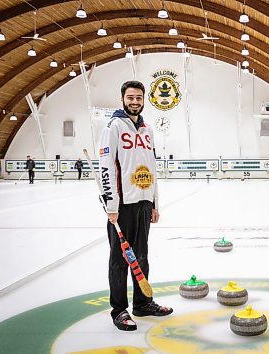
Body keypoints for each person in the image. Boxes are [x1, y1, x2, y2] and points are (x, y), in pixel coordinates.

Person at [99, 80, 173, 331]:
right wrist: (111, 205)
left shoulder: (148, 130)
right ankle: (119, 310)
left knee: (141, 256)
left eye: (139, 98)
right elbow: (107, 167)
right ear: (123, 99)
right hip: (122, 206)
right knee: (120, 260)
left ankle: (143, 303)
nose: (135, 102)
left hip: (143, 204)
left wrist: (154, 202)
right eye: (130, 97)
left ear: (143, 100)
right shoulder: (113, 127)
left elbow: (152, 168)